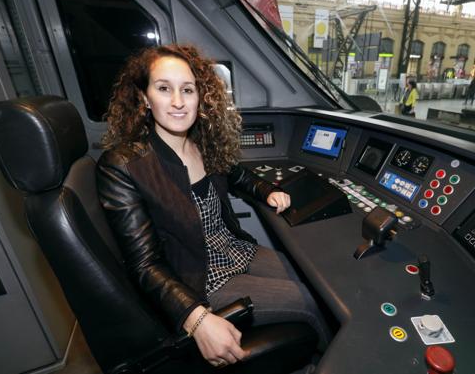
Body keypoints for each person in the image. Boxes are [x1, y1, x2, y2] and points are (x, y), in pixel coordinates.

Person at [96, 44, 330, 369]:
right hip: (198, 276)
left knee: (315, 282)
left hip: (233, 249)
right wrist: (196, 318)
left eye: (187, 90)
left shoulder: (200, 142)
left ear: (199, 96)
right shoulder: (123, 165)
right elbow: (144, 264)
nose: (178, 102)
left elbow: (236, 175)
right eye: (164, 88)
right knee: (307, 301)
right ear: (145, 98)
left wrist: (266, 191)